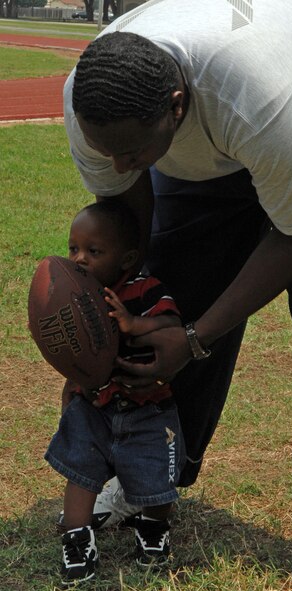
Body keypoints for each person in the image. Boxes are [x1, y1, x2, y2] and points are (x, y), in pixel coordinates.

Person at [62, 1, 292, 589]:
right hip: (225, 111)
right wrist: (107, 334)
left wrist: (194, 339)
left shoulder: (261, 92)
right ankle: (152, 470)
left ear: (176, 106)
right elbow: (135, 242)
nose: (115, 163)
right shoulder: (93, 99)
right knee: (167, 284)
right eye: (104, 149)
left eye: (130, 151)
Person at [45, 201, 185, 585]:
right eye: (74, 248)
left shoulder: (145, 289)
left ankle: (154, 531)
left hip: (147, 409)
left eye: (94, 251)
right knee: (81, 473)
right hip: (94, 406)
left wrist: (134, 322)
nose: (80, 259)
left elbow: (172, 330)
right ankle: (77, 542)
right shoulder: (76, 294)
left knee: (157, 478)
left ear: (127, 258)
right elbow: (76, 351)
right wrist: (70, 382)